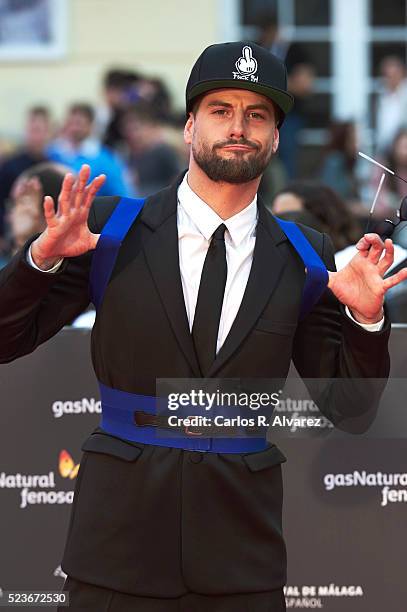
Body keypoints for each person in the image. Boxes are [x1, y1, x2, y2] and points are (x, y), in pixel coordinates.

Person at [0, 41, 405, 612]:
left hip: (241, 555)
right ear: (189, 129)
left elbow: (351, 411)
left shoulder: (304, 256)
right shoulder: (110, 229)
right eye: (220, 110)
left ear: (275, 138)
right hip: (117, 545)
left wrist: (366, 320)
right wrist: (39, 260)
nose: (238, 126)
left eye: (256, 114)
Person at [47, 103, 134, 198]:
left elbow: (121, 192)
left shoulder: (104, 158)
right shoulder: (52, 152)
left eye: (79, 123)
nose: (74, 128)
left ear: (90, 126)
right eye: (71, 123)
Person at [0, 106, 52, 242]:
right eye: (31, 130)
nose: (35, 136)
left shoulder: (53, 167)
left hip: (46, 235)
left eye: (39, 130)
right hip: (14, 234)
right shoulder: (10, 165)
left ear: (48, 133)